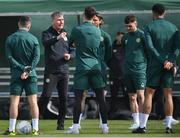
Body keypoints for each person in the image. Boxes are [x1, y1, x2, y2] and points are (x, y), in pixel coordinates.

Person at [133, 3, 180, 134]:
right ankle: (169, 126)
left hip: (155, 64)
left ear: (153, 13)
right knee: (168, 94)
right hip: (169, 65)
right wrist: (170, 61)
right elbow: (177, 47)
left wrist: (161, 60)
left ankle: (142, 126)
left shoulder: (149, 27)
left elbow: (150, 47)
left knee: (149, 94)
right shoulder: (173, 27)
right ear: (164, 13)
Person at [66, 6, 109, 134]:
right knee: (101, 98)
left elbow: (70, 43)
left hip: (82, 68)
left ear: (84, 15)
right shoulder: (99, 31)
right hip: (96, 67)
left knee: (79, 97)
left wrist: (76, 44)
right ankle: (105, 126)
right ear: (93, 17)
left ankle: (75, 127)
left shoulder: (77, 29)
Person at [38, 11, 75, 130]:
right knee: (46, 96)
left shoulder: (66, 35)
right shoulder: (47, 33)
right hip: (51, 71)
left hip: (64, 71)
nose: (61, 22)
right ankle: (35, 119)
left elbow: (73, 49)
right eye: (59, 20)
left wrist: (70, 55)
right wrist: (57, 38)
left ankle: (61, 124)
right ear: (53, 21)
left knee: (63, 98)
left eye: (63, 20)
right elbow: (45, 43)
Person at [4, 16, 40, 136]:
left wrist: (22, 69)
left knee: (14, 102)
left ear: (19, 24)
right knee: (33, 102)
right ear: (29, 26)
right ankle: (35, 130)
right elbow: (36, 58)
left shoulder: (10, 38)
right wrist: (28, 70)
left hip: (16, 74)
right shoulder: (34, 39)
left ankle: (12, 130)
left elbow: (9, 58)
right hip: (31, 75)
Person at [121, 15, 147, 130]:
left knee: (141, 96)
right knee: (132, 98)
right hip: (128, 70)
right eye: (126, 26)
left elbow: (148, 52)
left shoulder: (142, 35)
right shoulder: (125, 37)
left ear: (135, 23)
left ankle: (143, 123)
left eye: (130, 26)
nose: (128, 28)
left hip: (140, 70)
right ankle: (136, 122)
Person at [108, 31, 126, 117]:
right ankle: (111, 113)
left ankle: (130, 112)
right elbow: (108, 59)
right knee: (113, 95)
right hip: (114, 76)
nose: (121, 39)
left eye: (123, 37)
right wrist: (113, 67)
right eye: (120, 37)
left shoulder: (126, 47)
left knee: (128, 95)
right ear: (116, 37)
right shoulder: (111, 47)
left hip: (125, 76)